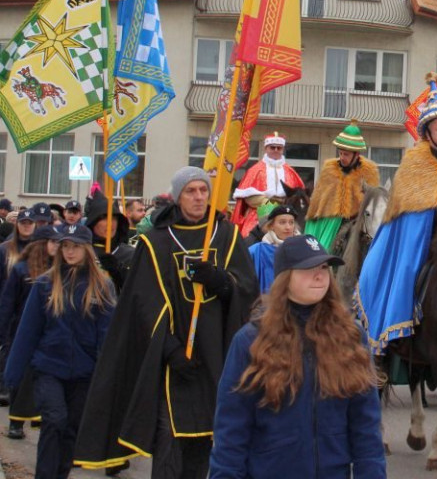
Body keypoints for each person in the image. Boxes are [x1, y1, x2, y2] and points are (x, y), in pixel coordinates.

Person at [74, 166, 259, 479]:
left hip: (215, 355)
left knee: (203, 442)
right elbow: (143, 303)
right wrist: (170, 348)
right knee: (170, 446)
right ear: (178, 196)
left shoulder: (226, 235)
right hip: (169, 364)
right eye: (191, 191)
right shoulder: (155, 241)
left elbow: (248, 289)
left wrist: (223, 283)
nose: (199, 197)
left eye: (203, 190)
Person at [210, 234, 386, 478]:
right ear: (285, 278)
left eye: (324, 267)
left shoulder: (350, 335)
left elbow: (366, 426)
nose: (319, 275)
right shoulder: (251, 340)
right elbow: (231, 429)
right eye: (308, 268)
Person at [355, 75, 437, 353]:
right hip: (424, 237)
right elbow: (407, 205)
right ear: (428, 133)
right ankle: (402, 321)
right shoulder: (414, 163)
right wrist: (434, 212)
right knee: (410, 267)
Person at [4, 223, 115, 479]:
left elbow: (107, 335)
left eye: (75, 246)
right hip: (49, 368)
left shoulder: (102, 287)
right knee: (54, 420)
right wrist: (13, 374)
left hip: (84, 373)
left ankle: (60, 474)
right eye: (65, 246)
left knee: (71, 428)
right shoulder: (45, 283)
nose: (69, 252)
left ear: (87, 249)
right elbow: (27, 332)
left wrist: (106, 376)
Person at [0, 224, 58, 438]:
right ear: (43, 244)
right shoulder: (21, 269)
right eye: (53, 242)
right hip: (21, 331)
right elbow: (7, 302)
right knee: (21, 377)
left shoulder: (59, 270)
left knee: (45, 376)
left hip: (49, 333)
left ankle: (39, 416)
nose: (57, 247)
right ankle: (16, 422)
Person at [304, 121, 380, 253]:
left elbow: (373, 200)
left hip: (358, 220)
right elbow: (319, 198)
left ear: (356, 155)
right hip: (329, 218)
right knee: (318, 248)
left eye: (346, 154)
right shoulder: (329, 168)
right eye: (340, 153)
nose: (342, 157)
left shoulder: (369, 171)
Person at [231, 132, 304, 239]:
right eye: (272, 147)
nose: (275, 150)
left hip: (285, 214)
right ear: (266, 149)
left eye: (279, 148)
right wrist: (270, 205)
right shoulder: (255, 170)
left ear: (282, 150)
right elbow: (249, 197)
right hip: (259, 212)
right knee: (249, 238)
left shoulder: (290, 172)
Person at [82, 190, 135, 293]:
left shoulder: (130, 254)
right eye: (104, 218)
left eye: (114, 218)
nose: (111, 224)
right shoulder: (82, 250)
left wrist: (118, 272)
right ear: (93, 221)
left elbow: (140, 291)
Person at [248, 204, 299, 293]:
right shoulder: (256, 251)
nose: (288, 227)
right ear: (271, 225)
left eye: (291, 222)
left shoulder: (303, 250)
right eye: (282, 222)